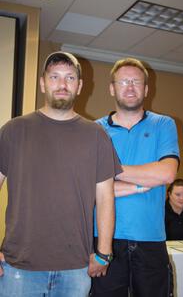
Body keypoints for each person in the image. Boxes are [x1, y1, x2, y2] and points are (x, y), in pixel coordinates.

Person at [0, 51, 122, 297]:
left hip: (75, 269)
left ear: (79, 86)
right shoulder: (13, 130)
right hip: (19, 267)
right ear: (43, 83)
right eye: (54, 77)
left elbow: (106, 197)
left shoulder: (97, 135)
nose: (62, 84)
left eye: (70, 77)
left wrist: (103, 252)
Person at [90, 57, 180, 297]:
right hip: (105, 242)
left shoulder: (164, 124)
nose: (130, 87)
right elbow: (88, 186)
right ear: (112, 88)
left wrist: (109, 171)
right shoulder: (94, 130)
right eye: (123, 81)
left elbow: (167, 173)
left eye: (136, 82)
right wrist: (140, 185)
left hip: (151, 241)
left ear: (146, 89)